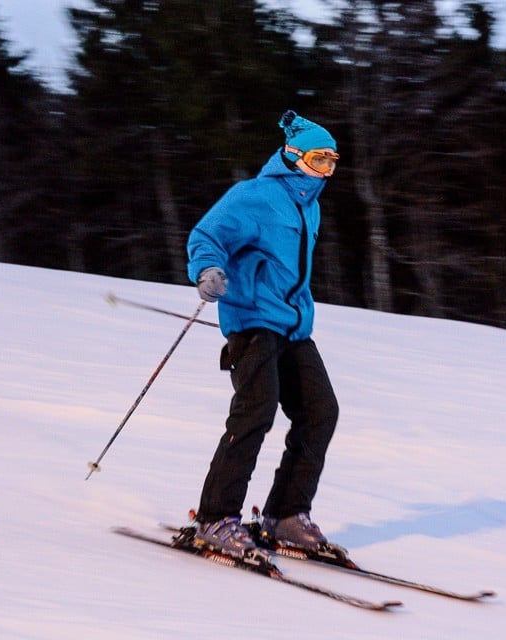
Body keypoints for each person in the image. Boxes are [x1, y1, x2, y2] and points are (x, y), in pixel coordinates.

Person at [186, 110, 341, 559]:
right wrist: (209, 270)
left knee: (320, 411)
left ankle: (286, 515)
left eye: (332, 162)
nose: (326, 170)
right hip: (252, 321)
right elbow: (207, 235)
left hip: (293, 325)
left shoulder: (310, 205)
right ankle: (215, 518)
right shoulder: (253, 196)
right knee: (256, 411)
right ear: (293, 158)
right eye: (318, 160)